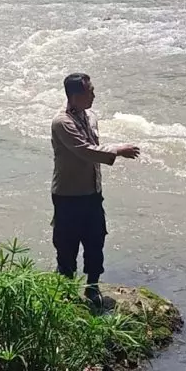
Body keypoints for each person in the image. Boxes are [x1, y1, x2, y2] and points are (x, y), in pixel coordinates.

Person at [50, 73, 140, 306]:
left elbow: (93, 147)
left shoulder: (90, 116)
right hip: (68, 195)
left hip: (91, 192)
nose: (94, 95)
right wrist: (118, 150)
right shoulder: (62, 122)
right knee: (66, 245)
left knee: (95, 240)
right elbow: (86, 150)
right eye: (90, 91)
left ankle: (92, 287)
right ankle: (66, 289)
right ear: (76, 95)